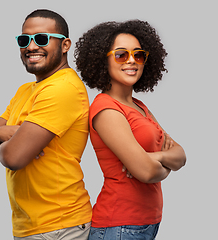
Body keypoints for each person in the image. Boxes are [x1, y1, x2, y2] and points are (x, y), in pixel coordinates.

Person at [0, 9, 92, 239]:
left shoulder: (63, 88)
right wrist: (1, 133)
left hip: (60, 226)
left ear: (65, 44)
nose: (31, 46)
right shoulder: (25, 91)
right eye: (24, 39)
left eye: (41, 39)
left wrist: (6, 142)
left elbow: (13, 158)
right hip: (30, 226)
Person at [74, 20, 186, 240]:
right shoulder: (105, 108)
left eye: (139, 55)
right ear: (102, 60)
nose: (131, 61)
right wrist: (161, 166)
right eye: (121, 55)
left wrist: (155, 157)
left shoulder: (139, 106)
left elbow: (180, 155)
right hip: (119, 226)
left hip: (146, 223)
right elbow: (147, 172)